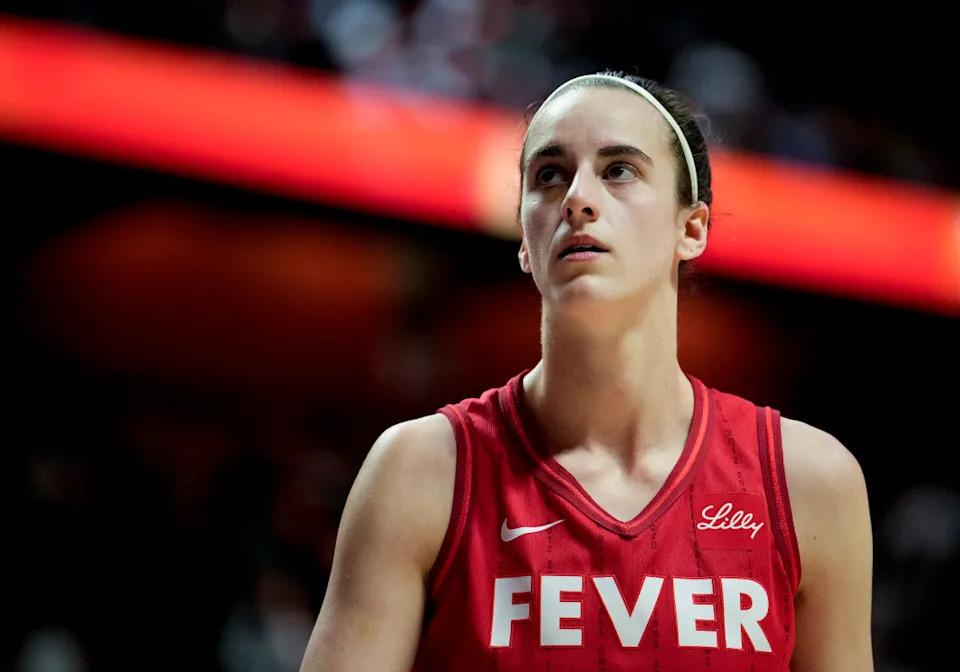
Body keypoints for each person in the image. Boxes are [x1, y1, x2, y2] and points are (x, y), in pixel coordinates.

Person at [299, 70, 874, 671]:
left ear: (692, 227)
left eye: (619, 169)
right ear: (524, 239)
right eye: (549, 175)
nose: (577, 197)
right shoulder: (418, 473)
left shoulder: (809, 483)